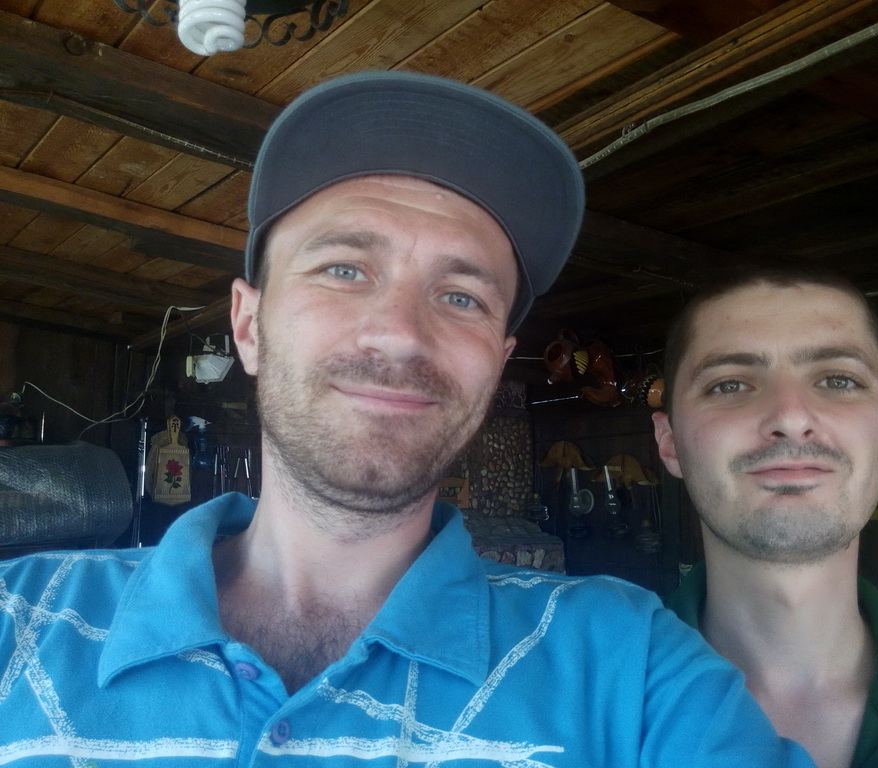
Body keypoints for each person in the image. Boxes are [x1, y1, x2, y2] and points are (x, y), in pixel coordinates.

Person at [0, 71, 813, 766]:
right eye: (344, 269)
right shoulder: (16, 620)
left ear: (497, 360)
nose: (400, 333)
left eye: (460, 297)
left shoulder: (630, 664)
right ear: (248, 326)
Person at [652, 263, 878, 768]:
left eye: (838, 380)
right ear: (669, 443)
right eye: (729, 385)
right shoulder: (566, 708)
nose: (790, 417)